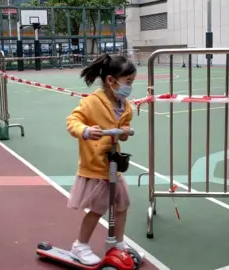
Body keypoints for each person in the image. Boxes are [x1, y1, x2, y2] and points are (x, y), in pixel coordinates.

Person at [65, 53, 144, 265]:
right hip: (95, 166)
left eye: (131, 82)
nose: (130, 86)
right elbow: (73, 121)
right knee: (99, 208)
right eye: (128, 82)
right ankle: (79, 246)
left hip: (113, 164)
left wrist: (124, 132)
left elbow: (121, 133)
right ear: (111, 80)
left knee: (122, 203)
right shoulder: (92, 102)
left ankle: (117, 243)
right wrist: (86, 130)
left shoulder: (124, 105)